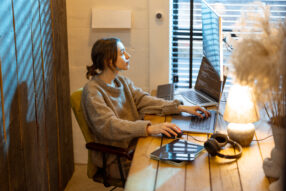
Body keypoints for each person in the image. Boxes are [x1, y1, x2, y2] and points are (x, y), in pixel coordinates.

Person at [81, 37, 210, 181]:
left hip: (137, 145)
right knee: (170, 173)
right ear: (109, 61)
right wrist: (150, 129)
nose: (128, 56)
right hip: (118, 157)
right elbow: (109, 125)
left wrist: (180, 108)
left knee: (185, 159)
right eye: (122, 53)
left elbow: (144, 100)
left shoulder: (121, 81)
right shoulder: (93, 92)